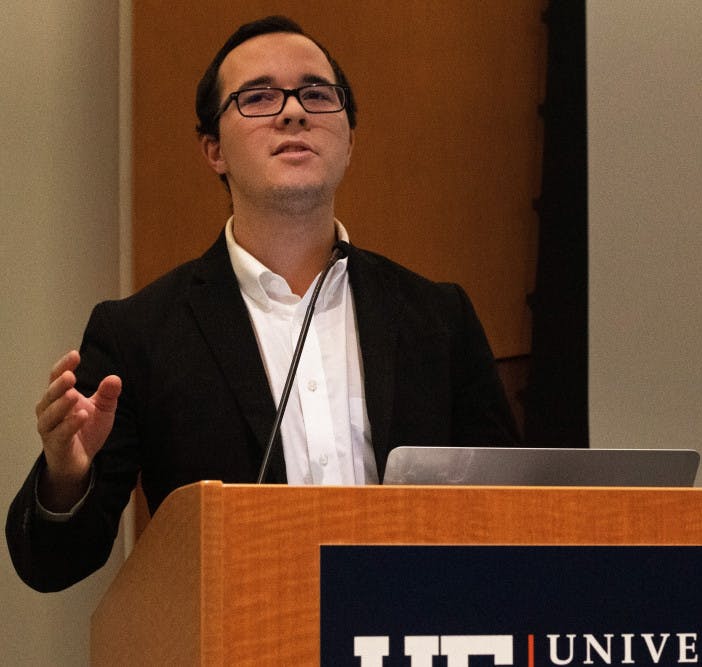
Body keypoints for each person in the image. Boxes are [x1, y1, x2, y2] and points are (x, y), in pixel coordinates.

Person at [7, 15, 520, 593]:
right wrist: (67, 477)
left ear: (350, 140)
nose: (294, 112)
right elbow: (52, 565)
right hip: (244, 626)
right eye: (258, 98)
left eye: (317, 94)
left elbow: (517, 517)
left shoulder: (439, 319)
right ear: (213, 150)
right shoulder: (138, 335)